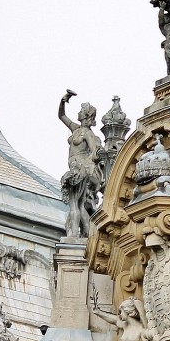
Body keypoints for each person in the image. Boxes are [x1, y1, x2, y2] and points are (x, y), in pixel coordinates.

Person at [57, 90, 104, 238]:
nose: (79, 112)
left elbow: (94, 152)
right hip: (75, 167)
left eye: (82, 111)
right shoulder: (75, 129)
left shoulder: (88, 134)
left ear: (86, 116)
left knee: (77, 204)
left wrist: (85, 168)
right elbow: (61, 116)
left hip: (81, 168)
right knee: (80, 204)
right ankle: (85, 233)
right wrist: (63, 101)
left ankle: (76, 235)